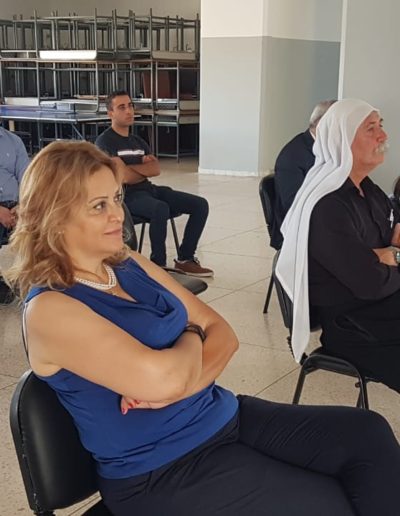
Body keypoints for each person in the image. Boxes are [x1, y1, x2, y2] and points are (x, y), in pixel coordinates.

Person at [6, 140, 400, 516]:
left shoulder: (125, 262)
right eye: (98, 206)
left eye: (116, 198)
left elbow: (223, 333)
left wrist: (181, 373)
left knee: (366, 433)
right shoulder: (51, 309)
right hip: (163, 469)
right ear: (55, 217)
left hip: (223, 416)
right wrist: (192, 336)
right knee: (329, 503)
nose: (118, 215)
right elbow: (175, 369)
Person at [275, 98, 400, 395]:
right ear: (342, 139)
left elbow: (389, 242)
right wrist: (390, 256)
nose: (383, 136)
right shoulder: (327, 205)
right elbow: (369, 282)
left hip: (382, 306)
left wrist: (386, 256)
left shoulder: (366, 188)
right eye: (371, 129)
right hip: (355, 325)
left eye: (380, 126)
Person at [95, 90, 213, 277]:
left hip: (148, 189)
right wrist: (141, 167)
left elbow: (155, 169)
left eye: (130, 106)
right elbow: (122, 177)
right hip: (125, 196)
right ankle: (158, 265)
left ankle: (185, 259)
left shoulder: (138, 141)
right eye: (122, 107)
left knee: (200, 205)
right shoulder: (105, 142)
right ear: (110, 113)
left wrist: (130, 168)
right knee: (160, 208)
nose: (129, 111)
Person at [272, 100, 336, 249]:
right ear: (321, 124)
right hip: (298, 230)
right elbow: (294, 205)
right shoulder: (293, 156)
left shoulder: (329, 148)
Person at [0, 125, 30, 303]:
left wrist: (22, 206)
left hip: (16, 205)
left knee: (43, 226)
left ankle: (28, 277)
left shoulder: (14, 141)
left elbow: (27, 178)